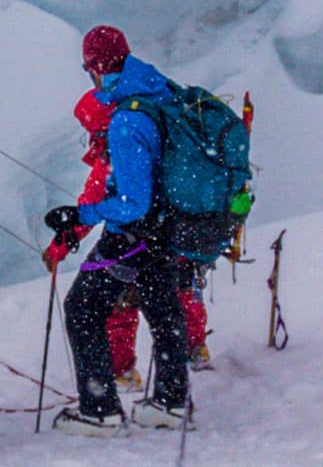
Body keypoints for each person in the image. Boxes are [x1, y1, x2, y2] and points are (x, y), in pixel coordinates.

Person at [46, 25, 193, 436]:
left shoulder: (127, 120)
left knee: (82, 308)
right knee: (164, 311)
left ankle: (100, 410)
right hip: (166, 227)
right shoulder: (158, 91)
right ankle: (170, 402)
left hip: (134, 234)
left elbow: (133, 201)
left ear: (94, 68)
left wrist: (83, 214)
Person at [47, 89, 212, 393]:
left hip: (138, 239)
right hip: (177, 230)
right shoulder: (157, 127)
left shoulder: (117, 148)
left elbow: (92, 201)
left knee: (119, 305)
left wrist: (64, 240)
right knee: (181, 293)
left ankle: (122, 372)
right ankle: (195, 349)